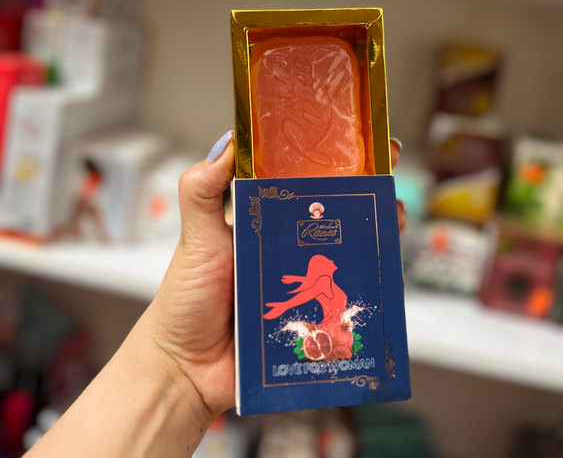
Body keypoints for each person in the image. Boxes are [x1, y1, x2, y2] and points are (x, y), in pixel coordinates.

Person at [26, 132, 405, 458]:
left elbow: (300, 290)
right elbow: (299, 292)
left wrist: (180, 371)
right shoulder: (321, 281)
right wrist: (181, 367)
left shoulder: (326, 281)